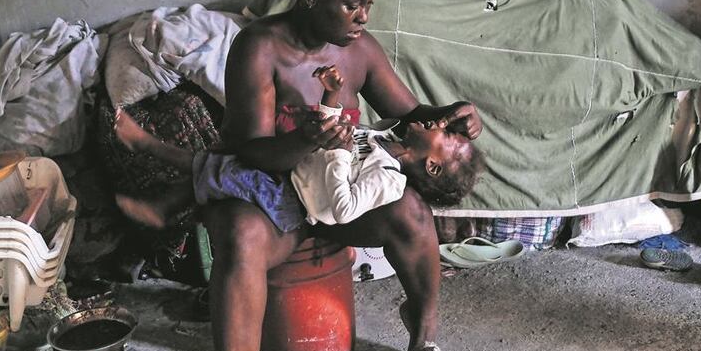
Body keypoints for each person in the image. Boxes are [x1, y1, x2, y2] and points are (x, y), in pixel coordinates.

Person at [153, 0, 483, 351]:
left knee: (409, 208)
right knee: (238, 234)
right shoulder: (260, 48)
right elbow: (247, 149)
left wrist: (450, 114)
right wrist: (306, 137)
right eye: (353, 4)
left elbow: (410, 114)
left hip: (339, 204)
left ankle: (422, 349)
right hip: (275, 200)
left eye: (369, 4)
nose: (363, 17)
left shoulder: (358, 51)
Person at [112, 65, 484, 230]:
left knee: (225, 170)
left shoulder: (389, 179)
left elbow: (344, 210)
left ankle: (150, 156)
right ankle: (164, 193)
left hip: (291, 201)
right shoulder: (384, 138)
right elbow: (334, 131)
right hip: (295, 174)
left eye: (448, 138)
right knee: (226, 160)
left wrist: (338, 153)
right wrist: (331, 95)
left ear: (433, 166)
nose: (443, 124)